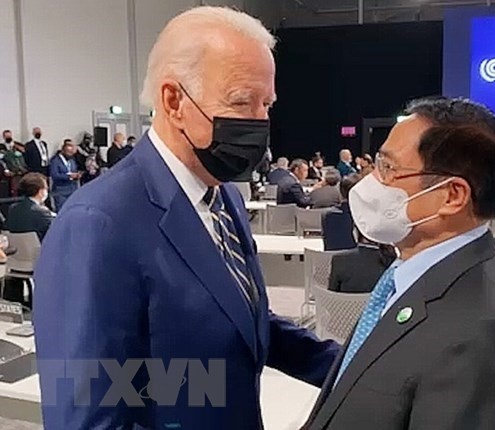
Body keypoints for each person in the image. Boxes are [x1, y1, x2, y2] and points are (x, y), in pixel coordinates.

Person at [34, 7, 339, 430]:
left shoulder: (223, 197)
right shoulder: (98, 223)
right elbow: (86, 417)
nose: (260, 120)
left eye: (266, 104)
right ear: (173, 101)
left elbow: (241, 318)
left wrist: (352, 367)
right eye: (241, 101)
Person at [303, 97, 495, 430]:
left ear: (452, 196)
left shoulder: (489, 338)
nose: (371, 181)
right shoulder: (410, 276)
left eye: (388, 168)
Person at [328, 233, 396, 293]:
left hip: (343, 304)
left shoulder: (339, 260)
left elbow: (331, 294)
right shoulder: (393, 261)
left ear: (355, 233)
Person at [5, 173, 54, 241]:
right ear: (41, 191)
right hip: (39, 246)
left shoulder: (13, 209)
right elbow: (57, 230)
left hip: (17, 246)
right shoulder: (41, 212)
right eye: (46, 189)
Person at [322, 173, 360, 251]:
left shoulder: (327, 215)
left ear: (340, 192)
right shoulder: (364, 215)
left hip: (331, 257)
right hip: (357, 258)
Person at [49, 139, 81, 211]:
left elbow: (74, 171)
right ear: (63, 151)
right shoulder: (55, 161)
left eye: (72, 153)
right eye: (68, 152)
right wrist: (69, 176)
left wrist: (77, 175)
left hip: (72, 190)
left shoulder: (72, 161)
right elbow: (54, 175)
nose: (70, 155)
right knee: (62, 211)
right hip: (60, 192)